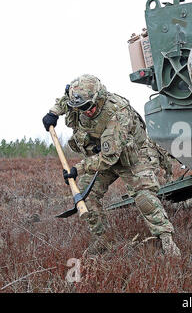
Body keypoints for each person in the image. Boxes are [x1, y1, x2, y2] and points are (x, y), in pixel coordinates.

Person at [42, 74, 180, 257]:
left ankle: (167, 241)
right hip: (101, 156)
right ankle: (103, 240)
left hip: (132, 156)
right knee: (85, 194)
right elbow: (65, 100)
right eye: (80, 108)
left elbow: (109, 157)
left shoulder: (117, 112)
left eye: (88, 107)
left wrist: (78, 169)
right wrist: (52, 113)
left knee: (144, 196)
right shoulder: (78, 100)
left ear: (98, 98)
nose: (85, 111)